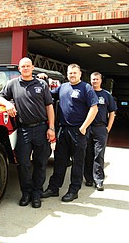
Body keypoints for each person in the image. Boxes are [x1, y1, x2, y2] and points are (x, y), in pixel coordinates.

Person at [0, 57, 55, 208]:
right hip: (23, 130)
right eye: (23, 66)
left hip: (41, 128)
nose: (26, 68)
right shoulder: (12, 84)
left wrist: (51, 128)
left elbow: (49, 107)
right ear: (19, 69)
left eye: (28, 66)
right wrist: (8, 103)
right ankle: (26, 193)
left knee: (40, 163)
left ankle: (36, 194)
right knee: (23, 164)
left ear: (33, 67)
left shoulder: (41, 84)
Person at [41, 63, 98, 202]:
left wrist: (84, 127)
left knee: (77, 163)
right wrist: (42, 81)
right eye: (70, 73)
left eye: (74, 73)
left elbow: (94, 108)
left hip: (79, 131)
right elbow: (48, 96)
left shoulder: (86, 88)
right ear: (67, 74)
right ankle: (53, 188)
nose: (72, 75)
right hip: (63, 130)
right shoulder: (63, 87)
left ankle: (74, 191)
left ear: (80, 74)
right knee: (60, 161)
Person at [84, 72, 117, 191]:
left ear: (101, 80)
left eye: (97, 79)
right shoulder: (87, 93)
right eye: (93, 79)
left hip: (100, 128)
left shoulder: (106, 95)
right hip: (88, 127)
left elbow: (112, 112)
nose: (95, 81)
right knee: (87, 154)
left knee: (99, 155)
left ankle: (99, 180)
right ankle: (88, 178)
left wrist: (108, 128)